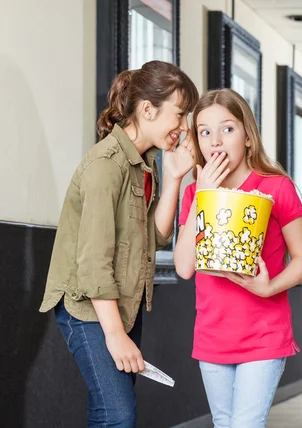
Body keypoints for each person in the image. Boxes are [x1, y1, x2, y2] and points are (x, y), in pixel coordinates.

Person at [39, 60, 199, 426]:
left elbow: (155, 237)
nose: (184, 127)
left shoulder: (144, 163)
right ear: (147, 109)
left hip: (121, 303)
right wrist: (114, 334)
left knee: (108, 408)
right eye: (180, 114)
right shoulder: (105, 166)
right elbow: (94, 263)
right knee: (117, 413)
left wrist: (174, 179)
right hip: (87, 306)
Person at [174, 88, 302, 428]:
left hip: (264, 334)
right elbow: (183, 267)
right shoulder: (195, 193)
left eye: (228, 129)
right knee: (224, 424)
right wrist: (202, 196)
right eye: (205, 132)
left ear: (248, 136)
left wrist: (269, 287)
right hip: (212, 335)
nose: (216, 141)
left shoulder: (277, 187)